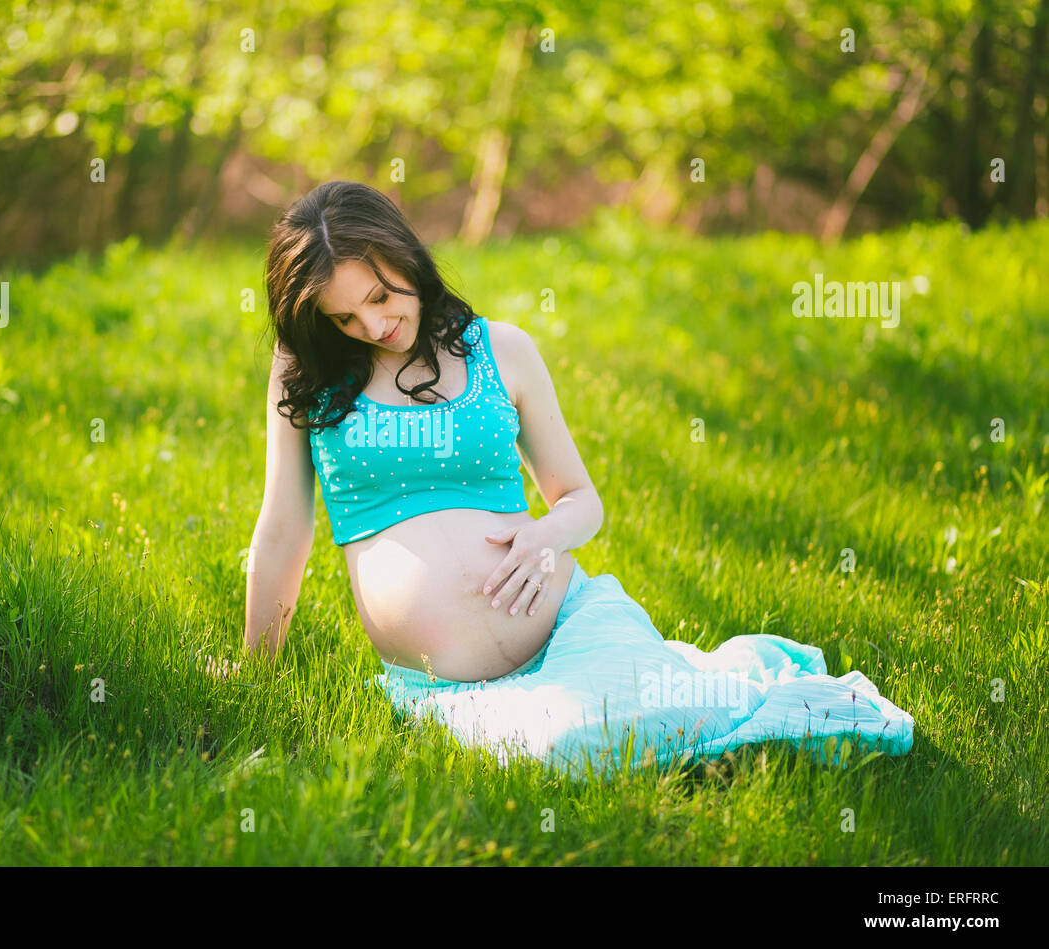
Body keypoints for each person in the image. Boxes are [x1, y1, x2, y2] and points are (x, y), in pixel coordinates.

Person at [243, 180, 913, 777]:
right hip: (446, 684)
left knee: (648, 716)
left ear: (407, 257)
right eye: (344, 317)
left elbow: (581, 501)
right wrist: (256, 673)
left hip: (572, 623)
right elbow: (283, 532)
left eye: (380, 297)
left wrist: (544, 538)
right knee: (566, 744)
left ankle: (716, 698)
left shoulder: (499, 350)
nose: (373, 326)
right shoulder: (311, 371)